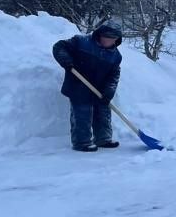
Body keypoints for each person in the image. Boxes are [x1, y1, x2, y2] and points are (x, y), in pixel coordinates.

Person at [52, 22, 123, 152]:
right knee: (82, 113)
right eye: (106, 36)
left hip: (99, 89)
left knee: (103, 112)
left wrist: (109, 91)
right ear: (99, 34)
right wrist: (66, 60)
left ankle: (103, 139)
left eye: (113, 38)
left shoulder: (115, 56)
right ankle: (82, 142)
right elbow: (59, 47)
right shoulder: (81, 41)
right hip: (78, 84)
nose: (108, 40)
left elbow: (114, 75)